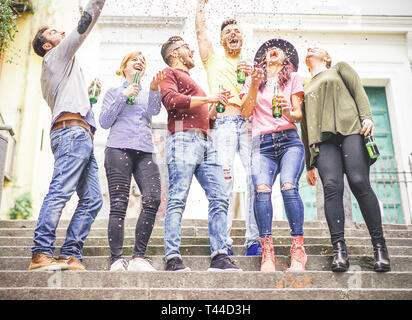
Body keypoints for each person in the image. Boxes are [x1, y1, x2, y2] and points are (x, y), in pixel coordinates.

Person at [29, 0, 105, 271]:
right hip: (72, 134)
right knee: (60, 191)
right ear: (47, 46)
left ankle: (69, 253)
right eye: (52, 33)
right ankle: (41, 252)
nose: (60, 32)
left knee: (93, 198)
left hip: (79, 133)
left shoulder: (60, 65)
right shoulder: (55, 56)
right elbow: (84, 25)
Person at [301, 47, 391, 272]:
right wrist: (308, 163)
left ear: (326, 57)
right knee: (332, 187)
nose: (310, 48)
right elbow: (305, 125)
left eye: (316, 47)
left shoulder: (340, 68)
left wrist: (367, 117)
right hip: (323, 140)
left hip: (351, 129)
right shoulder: (305, 87)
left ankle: (380, 247)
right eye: (308, 48)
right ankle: (339, 250)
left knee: (359, 182)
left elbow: (358, 90)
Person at [159, 36, 242, 272]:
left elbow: (207, 118)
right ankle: (172, 257)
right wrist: (208, 98)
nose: (191, 51)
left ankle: (219, 255)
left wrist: (215, 107)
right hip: (182, 139)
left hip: (207, 141)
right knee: (177, 197)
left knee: (220, 197)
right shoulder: (168, 73)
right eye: (186, 48)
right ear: (174, 54)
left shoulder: (194, 82)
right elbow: (171, 100)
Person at [195, 0, 260, 256]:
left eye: (237, 32)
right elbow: (200, 33)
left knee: (256, 179)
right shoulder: (213, 60)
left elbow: (257, 101)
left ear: (242, 39)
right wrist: (200, 7)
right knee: (224, 182)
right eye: (227, 32)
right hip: (222, 124)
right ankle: (223, 242)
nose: (233, 34)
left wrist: (255, 77)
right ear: (222, 41)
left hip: (248, 124)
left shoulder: (251, 65)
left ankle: (253, 240)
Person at [240, 39, 306, 272]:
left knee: (288, 187)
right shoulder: (253, 80)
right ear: (263, 59)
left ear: (285, 59)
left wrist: (287, 110)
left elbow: (297, 115)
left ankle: (298, 249)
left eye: (278, 50)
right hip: (262, 144)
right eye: (268, 50)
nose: (272, 50)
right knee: (261, 190)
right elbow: (246, 112)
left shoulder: (293, 79)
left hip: (289, 140)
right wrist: (252, 85)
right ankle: (267, 251)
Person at [99, 51, 164, 272]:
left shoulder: (147, 92)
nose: (139, 63)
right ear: (124, 66)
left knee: (153, 197)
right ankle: (116, 259)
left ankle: (138, 257)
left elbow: (155, 110)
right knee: (119, 203)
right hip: (118, 148)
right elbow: (104, 121)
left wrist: (155, 89)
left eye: (143, 61)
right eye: (134, 60)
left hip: (144, 150)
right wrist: (123, 95)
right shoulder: (114, 91)